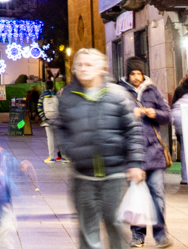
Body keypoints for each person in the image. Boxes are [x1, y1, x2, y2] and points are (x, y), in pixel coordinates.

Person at [56, 48, 143, 249]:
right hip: (83, 176)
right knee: (88, 228)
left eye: (88, 65)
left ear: (101, 68)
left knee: (115, 223)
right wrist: (71, 149)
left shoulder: (117, 94)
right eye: (79, 65)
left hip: (114, 173)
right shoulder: (68, 96)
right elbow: (61, 127)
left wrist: (135, 163)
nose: (83, 69)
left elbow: (133, 129)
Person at [121, 60, 172, 248]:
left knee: (157, 195)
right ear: (127, 75)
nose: (136, 77)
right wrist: (129, 115)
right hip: (133, 153)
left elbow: (167, 115)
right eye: (132, 73)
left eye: (139, 73)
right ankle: (138, 236)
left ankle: (161, 235)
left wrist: (155, 114)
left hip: (154, 151)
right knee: (137, 195)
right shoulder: (121, 92)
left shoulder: (153, 90)